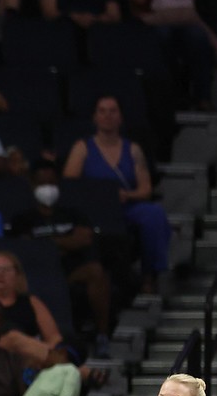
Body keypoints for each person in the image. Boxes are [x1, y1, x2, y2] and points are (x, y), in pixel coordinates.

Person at [65, 95, 174, 281]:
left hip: (125, 207)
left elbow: (145, 189)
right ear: (95, 117)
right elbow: (69, 185)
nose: (108, 115)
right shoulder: (82, 148)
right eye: (102, 111)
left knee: (154, 213)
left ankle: (150, 274)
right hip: (94, 211)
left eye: (113, 111)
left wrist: (127, 195)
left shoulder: (133, 150)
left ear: (121, 117)